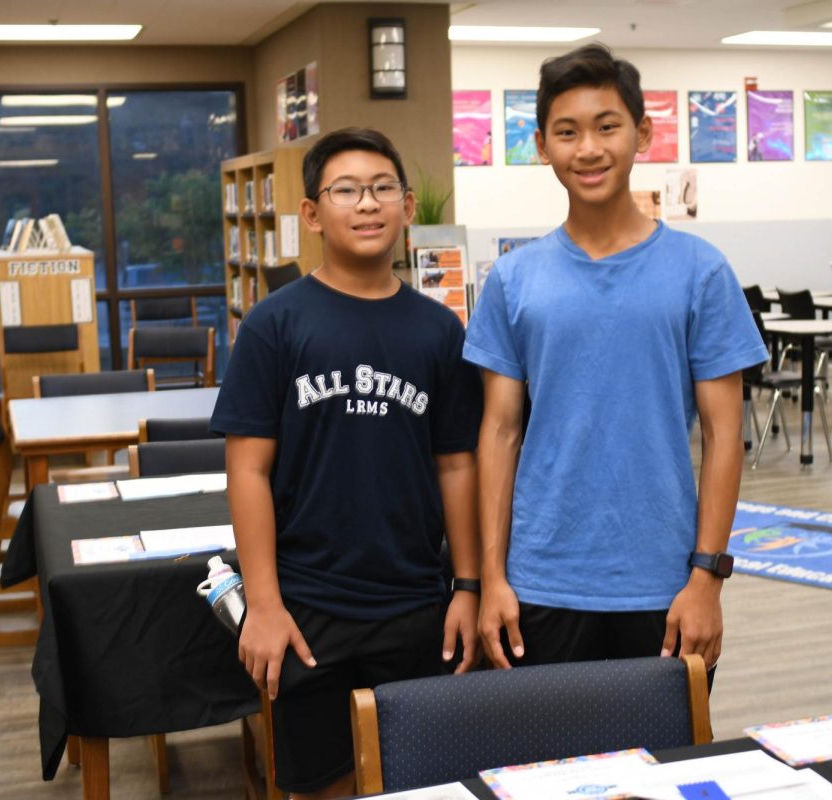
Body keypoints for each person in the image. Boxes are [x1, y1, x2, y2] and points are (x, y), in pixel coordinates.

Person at [464, 44, 767, 675]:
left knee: (666, 769)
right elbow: (498, 431)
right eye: (567, 132)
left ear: (643, 134)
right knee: (539, 770)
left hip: (665, 583)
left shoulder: (700, 271)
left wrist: (707, 578)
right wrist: (492, 578)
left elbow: (725, 433)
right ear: (542, 146)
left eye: (608, 126)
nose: (590, 149)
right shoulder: (514, 280)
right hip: (538, 583)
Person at [210, 127, 483, 800]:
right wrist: (264, 606)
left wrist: (469, 587)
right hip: (308, 611)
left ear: (407, 203)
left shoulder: (439, 329)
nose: (368, 204)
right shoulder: (275, 326)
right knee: (321, 786)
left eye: (383, 188)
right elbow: (246, 471)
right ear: (311, 214)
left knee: (420, 785)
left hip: (417, 605)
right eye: (347, 191)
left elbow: (456, 466)